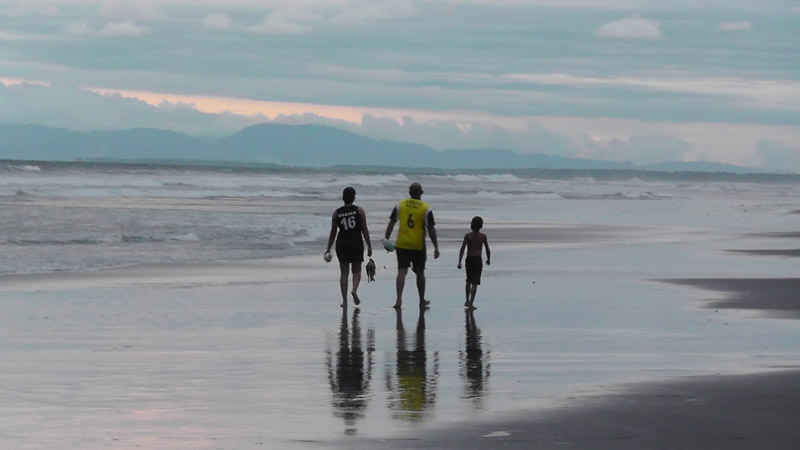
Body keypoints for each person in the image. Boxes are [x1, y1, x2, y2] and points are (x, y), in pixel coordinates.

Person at [384, 182, 440, 309]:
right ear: (421, 193)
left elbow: (392, 223)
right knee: (420, 273)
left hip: (402, 243)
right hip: (417, 245)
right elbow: (431, 230)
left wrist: (387, 239)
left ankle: (398, 299)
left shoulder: (400, 205)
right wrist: (436, 247)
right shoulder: (425, 208)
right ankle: (421, 300)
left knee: (402, 272)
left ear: (409, 192)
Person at [325, 187, 372, 307]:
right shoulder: (359, 211)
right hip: (356, 243)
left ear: (343, 198)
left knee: (344, 273)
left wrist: (328, 249)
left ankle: (344, 301)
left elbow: (333, 232)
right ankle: (354, 290)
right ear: (354, 197)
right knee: (357, 271)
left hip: (342, 244)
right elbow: (364, 229)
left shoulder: (337, 213)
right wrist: (369, 245)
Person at [457, 216, 490, 310]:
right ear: (481, 226)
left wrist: (459, 261)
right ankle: (471, 303)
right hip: (477, 259)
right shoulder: (483, 236)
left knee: (468, 280)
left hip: (469, 259)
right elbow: (487, 249)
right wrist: (488, 259)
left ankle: (467, 300)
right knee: (475, 282)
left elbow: (462, 249)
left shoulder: (468, 235)